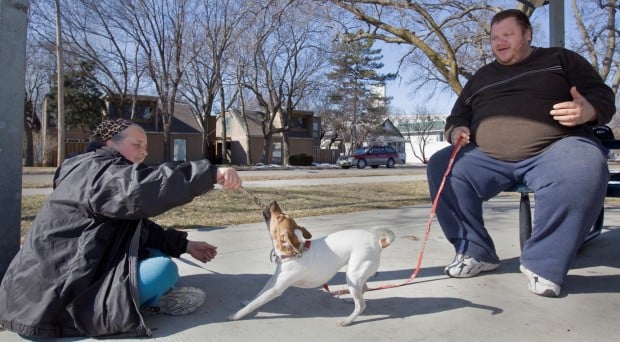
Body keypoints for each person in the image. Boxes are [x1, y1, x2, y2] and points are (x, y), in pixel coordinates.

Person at [427, 9, 616, 297]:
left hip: (555, 149)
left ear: (528, 34)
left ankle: (543, 264)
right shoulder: (481, 76)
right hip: (486, 157)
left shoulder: (560, 60)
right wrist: (455, 131)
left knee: (585, 165)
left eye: (507, 35)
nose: (499, 42)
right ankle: (475, 252)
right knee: (442, 166)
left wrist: (587, 110)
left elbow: (601, 95)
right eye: (494, 38)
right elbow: (457, 116)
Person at [0, 119, 242, 337]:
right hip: (52, 302)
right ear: (110, 143)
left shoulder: (94, 170)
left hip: (66, 281)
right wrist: (209, 173)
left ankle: (144, 297)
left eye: (145, 146)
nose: (144, 152)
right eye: (137, 144)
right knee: (163, 270)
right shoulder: (99, 174)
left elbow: (137, 227)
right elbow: (143, 188)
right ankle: (148, 303)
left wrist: (186, 245)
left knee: (154, 254)